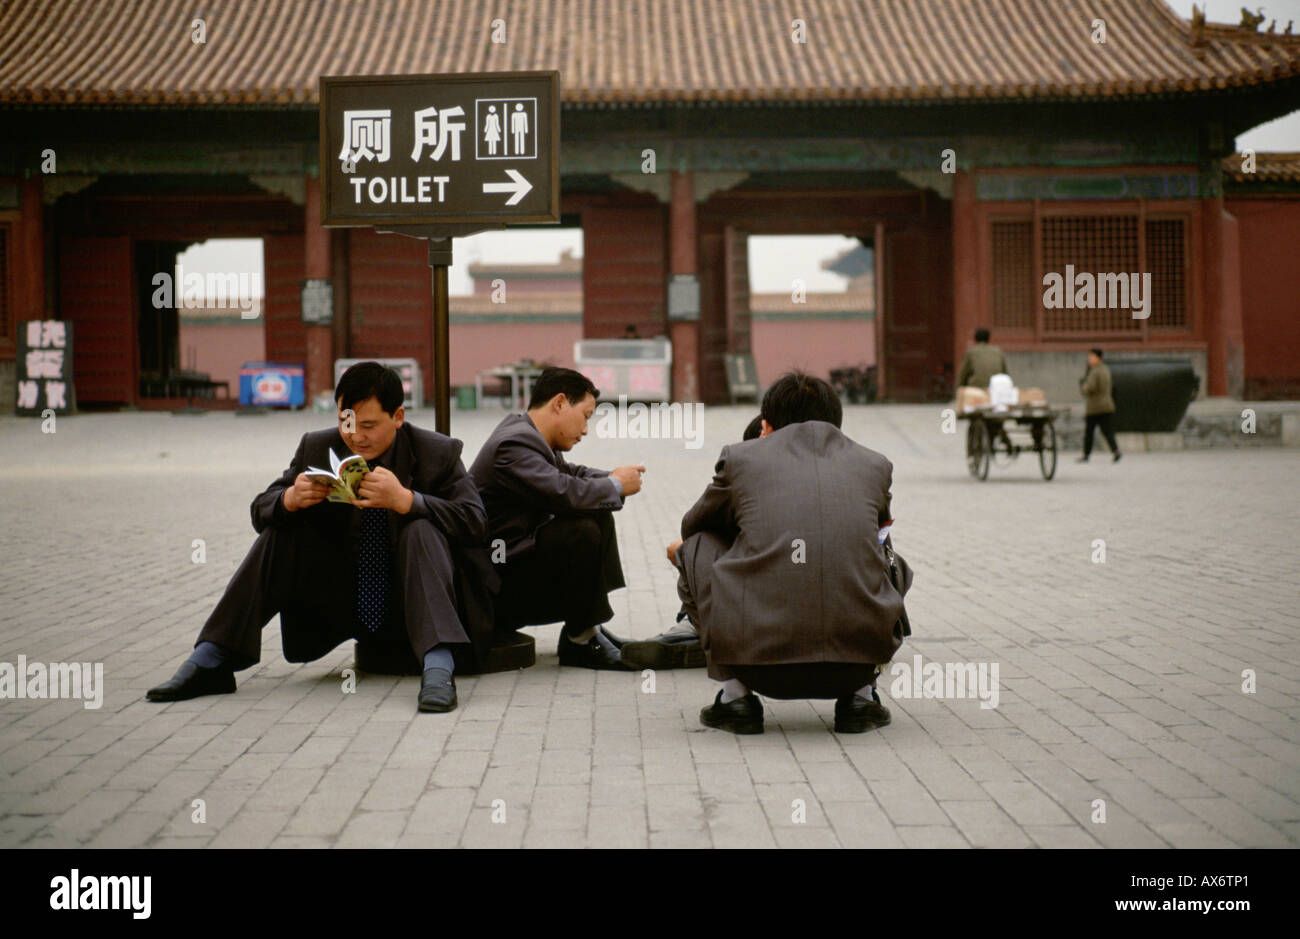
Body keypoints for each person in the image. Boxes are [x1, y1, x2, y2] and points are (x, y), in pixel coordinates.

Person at [146, 362, 491, 714]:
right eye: (348, 423)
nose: (356, 436)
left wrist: (407, 501)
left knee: (420, 526)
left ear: (398, 416)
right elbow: (259, 508)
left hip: (417, 603)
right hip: (344, 602)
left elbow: (475, 521)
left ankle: (438, 667)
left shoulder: (436, 452)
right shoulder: (317, 447)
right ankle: (212, 658)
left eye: (369, 425)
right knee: (280, 530)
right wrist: (288, 499)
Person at [666, 371, 906, 735]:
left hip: (759, 667)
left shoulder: (739, 458)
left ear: (765, 424)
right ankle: (862, 696)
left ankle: (736, 697)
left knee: (694, 548)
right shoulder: (874, 464)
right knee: (885, 552)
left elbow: (694, 525)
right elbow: (878, 533)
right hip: (855, 664)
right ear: (836, 424)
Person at [469, 366, 644, 670]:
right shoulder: (513, 445)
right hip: (494, 590)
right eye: (586, 416)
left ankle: (586, 629)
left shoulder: (529, 434)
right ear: (560, 403)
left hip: (512, 568)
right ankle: (581, 638)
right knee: (579, 528)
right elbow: (563, 492)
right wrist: (615, 485)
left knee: (597, 513)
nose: (586, 429)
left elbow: (570, 474)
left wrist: (613, 478)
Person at [621, 414, 766, 670]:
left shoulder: (748, 475)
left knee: (693, 546)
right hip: (829, 628)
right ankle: (696, 632)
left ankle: (698, 631)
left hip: (756, 620)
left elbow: (693, 526)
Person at [1078, 348, 1121, 463]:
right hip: (1107, 405)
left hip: (1095, 407)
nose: (1089, 359)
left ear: (1097, 358)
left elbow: (1090, 387)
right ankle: (1116, 451)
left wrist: (1083, 387)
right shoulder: (1105, 369)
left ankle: (1086, 454)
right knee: (1108, 431)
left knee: (1089, 433)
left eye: (1091, 357)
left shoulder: (1095, 371)